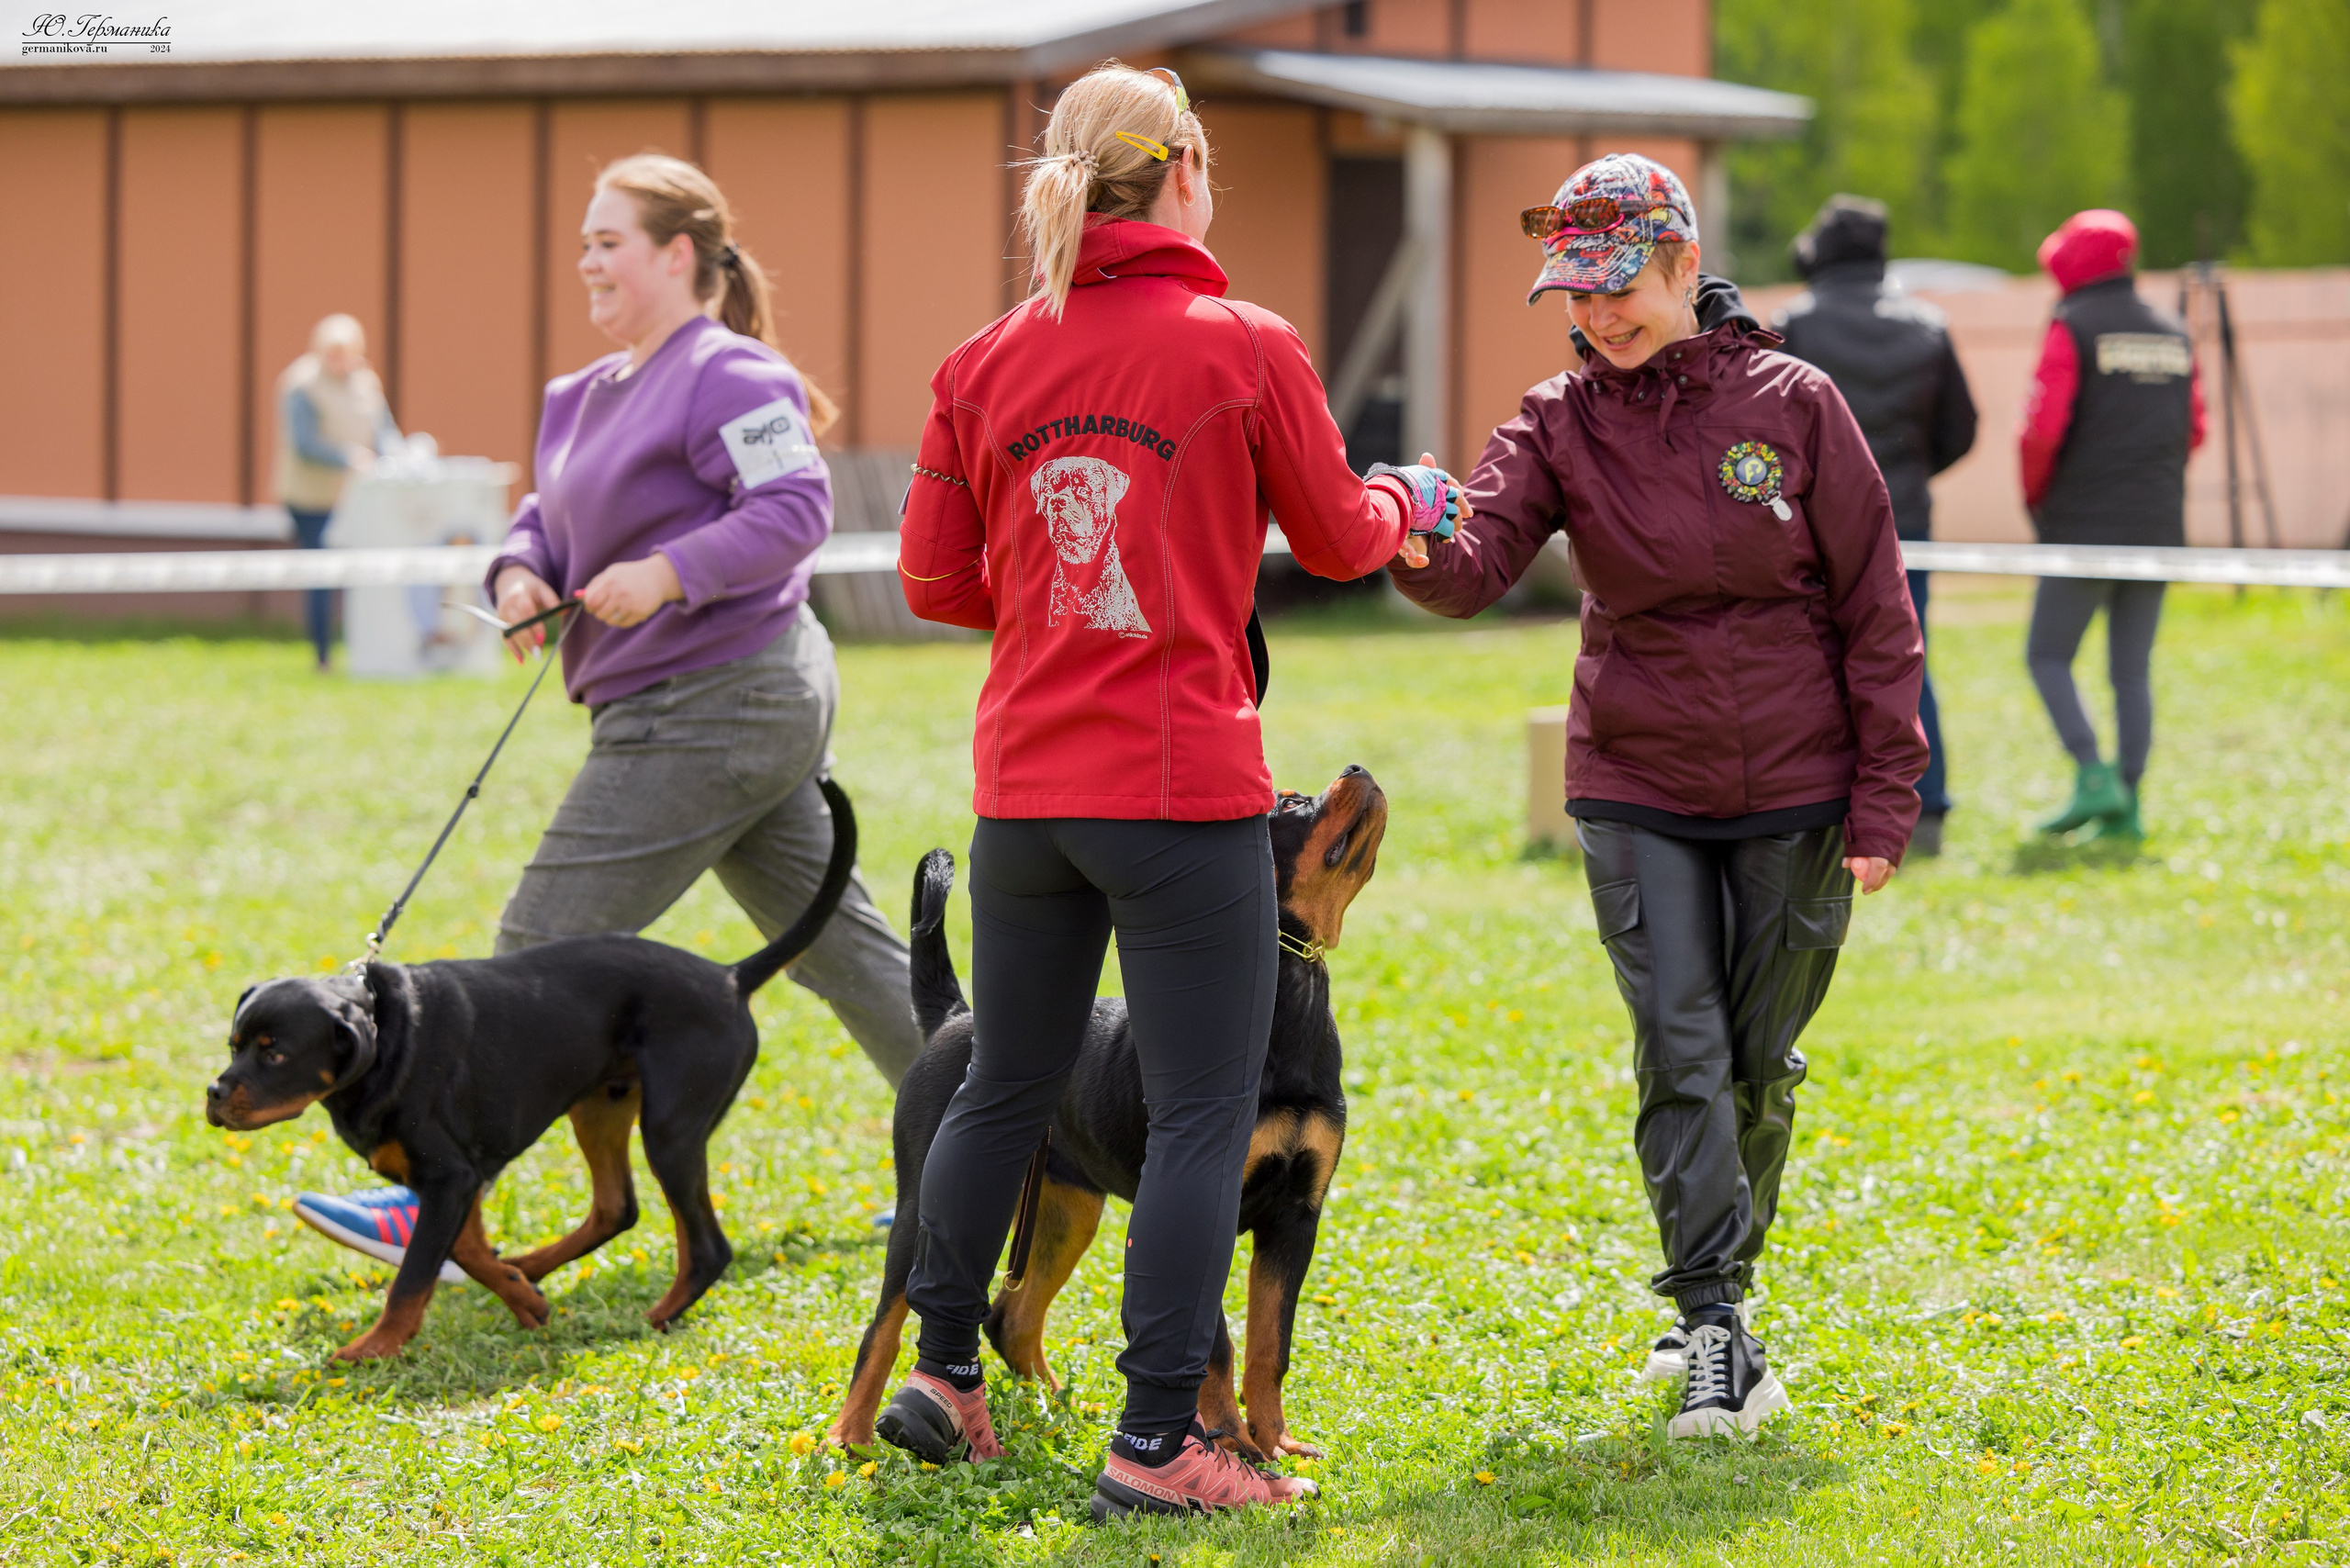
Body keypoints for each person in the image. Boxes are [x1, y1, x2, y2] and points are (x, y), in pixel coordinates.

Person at [886, 63, 1456, 1518]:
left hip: (1023, 791)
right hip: (1181, 786)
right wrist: (1416, 500)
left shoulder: (984, 358)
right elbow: (1339, 540)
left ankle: (945, 1375)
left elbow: (934, 584)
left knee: (1004, 1086)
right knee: (1203, 1115)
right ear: (1189, 167)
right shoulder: (1243, 342)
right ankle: (1159, 1446)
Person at [294, 154, 925, 1273]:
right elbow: (546, 512)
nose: (585, 259)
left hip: (722, 702)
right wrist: (517, 575)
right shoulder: (579, 395)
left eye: (609, 241)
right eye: (582, 240)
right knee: (849, 953)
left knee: (529, 952)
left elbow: (796, 509)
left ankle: (437, 1197)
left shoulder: (732, 373)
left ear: (678, 255)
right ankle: (1009, 1153)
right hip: (694, 710)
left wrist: (672, 571)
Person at [1389, 153, 1926, 1439]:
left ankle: (1714, 1307)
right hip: (1634, 781)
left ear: (1687, 264)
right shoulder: (1554, 419)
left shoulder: (1797, 403)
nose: (1596, 315)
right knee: (1680, 1050)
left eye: (1619, 286)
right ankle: (1715, 1329)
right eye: (1575, 294)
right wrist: (1407, 532)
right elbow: (1474, 564)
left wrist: (1886, 793)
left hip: (1796, 785)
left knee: (1756, 1063)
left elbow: (1875, 610)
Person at [1774, 195, 1976, 857]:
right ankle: (1929, 811)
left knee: (1808, 667)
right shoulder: (1929, 325)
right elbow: (1960, 430)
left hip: (1810, 529)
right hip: (1905, 524)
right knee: (1908, 664)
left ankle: (1814, 810)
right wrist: (1899, 482)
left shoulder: (1791, 327)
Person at [2019, 208, 2204, 841]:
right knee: (2131, 669)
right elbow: (2195, 429)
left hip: (2084, 524)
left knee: (2047, 654)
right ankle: (2129, 802)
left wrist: (2037, 498)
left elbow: (2042, 429)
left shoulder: (2073, 324)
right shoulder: (2173, 330)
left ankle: (2093, 775)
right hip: (2159, 523)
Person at [276, 314, 401, 671]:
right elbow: (304, 443)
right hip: (311, 498)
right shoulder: (300, 384)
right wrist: (347, 456)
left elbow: (383, 430)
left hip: (356, 496)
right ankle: (322, 656)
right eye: (332, 353)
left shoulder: (366, 381)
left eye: (346, 353)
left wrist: (399, 455)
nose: (340, 361)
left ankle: (366, 651)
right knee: (321, 575)